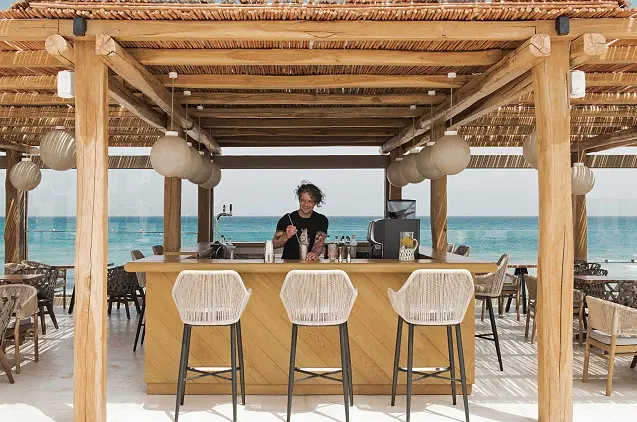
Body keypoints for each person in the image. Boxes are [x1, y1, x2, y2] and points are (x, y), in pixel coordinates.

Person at [273, 182, 328, 260]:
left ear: (315, 203)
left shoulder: (321, 219)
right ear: (299, 200)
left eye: (310, 201)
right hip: (288, 264)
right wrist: (286, 236)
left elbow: (319, 243)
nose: (306, 204)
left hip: (310, 263)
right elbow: (274, 244)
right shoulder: (287, 218)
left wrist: (314, 253)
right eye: (303, 200)